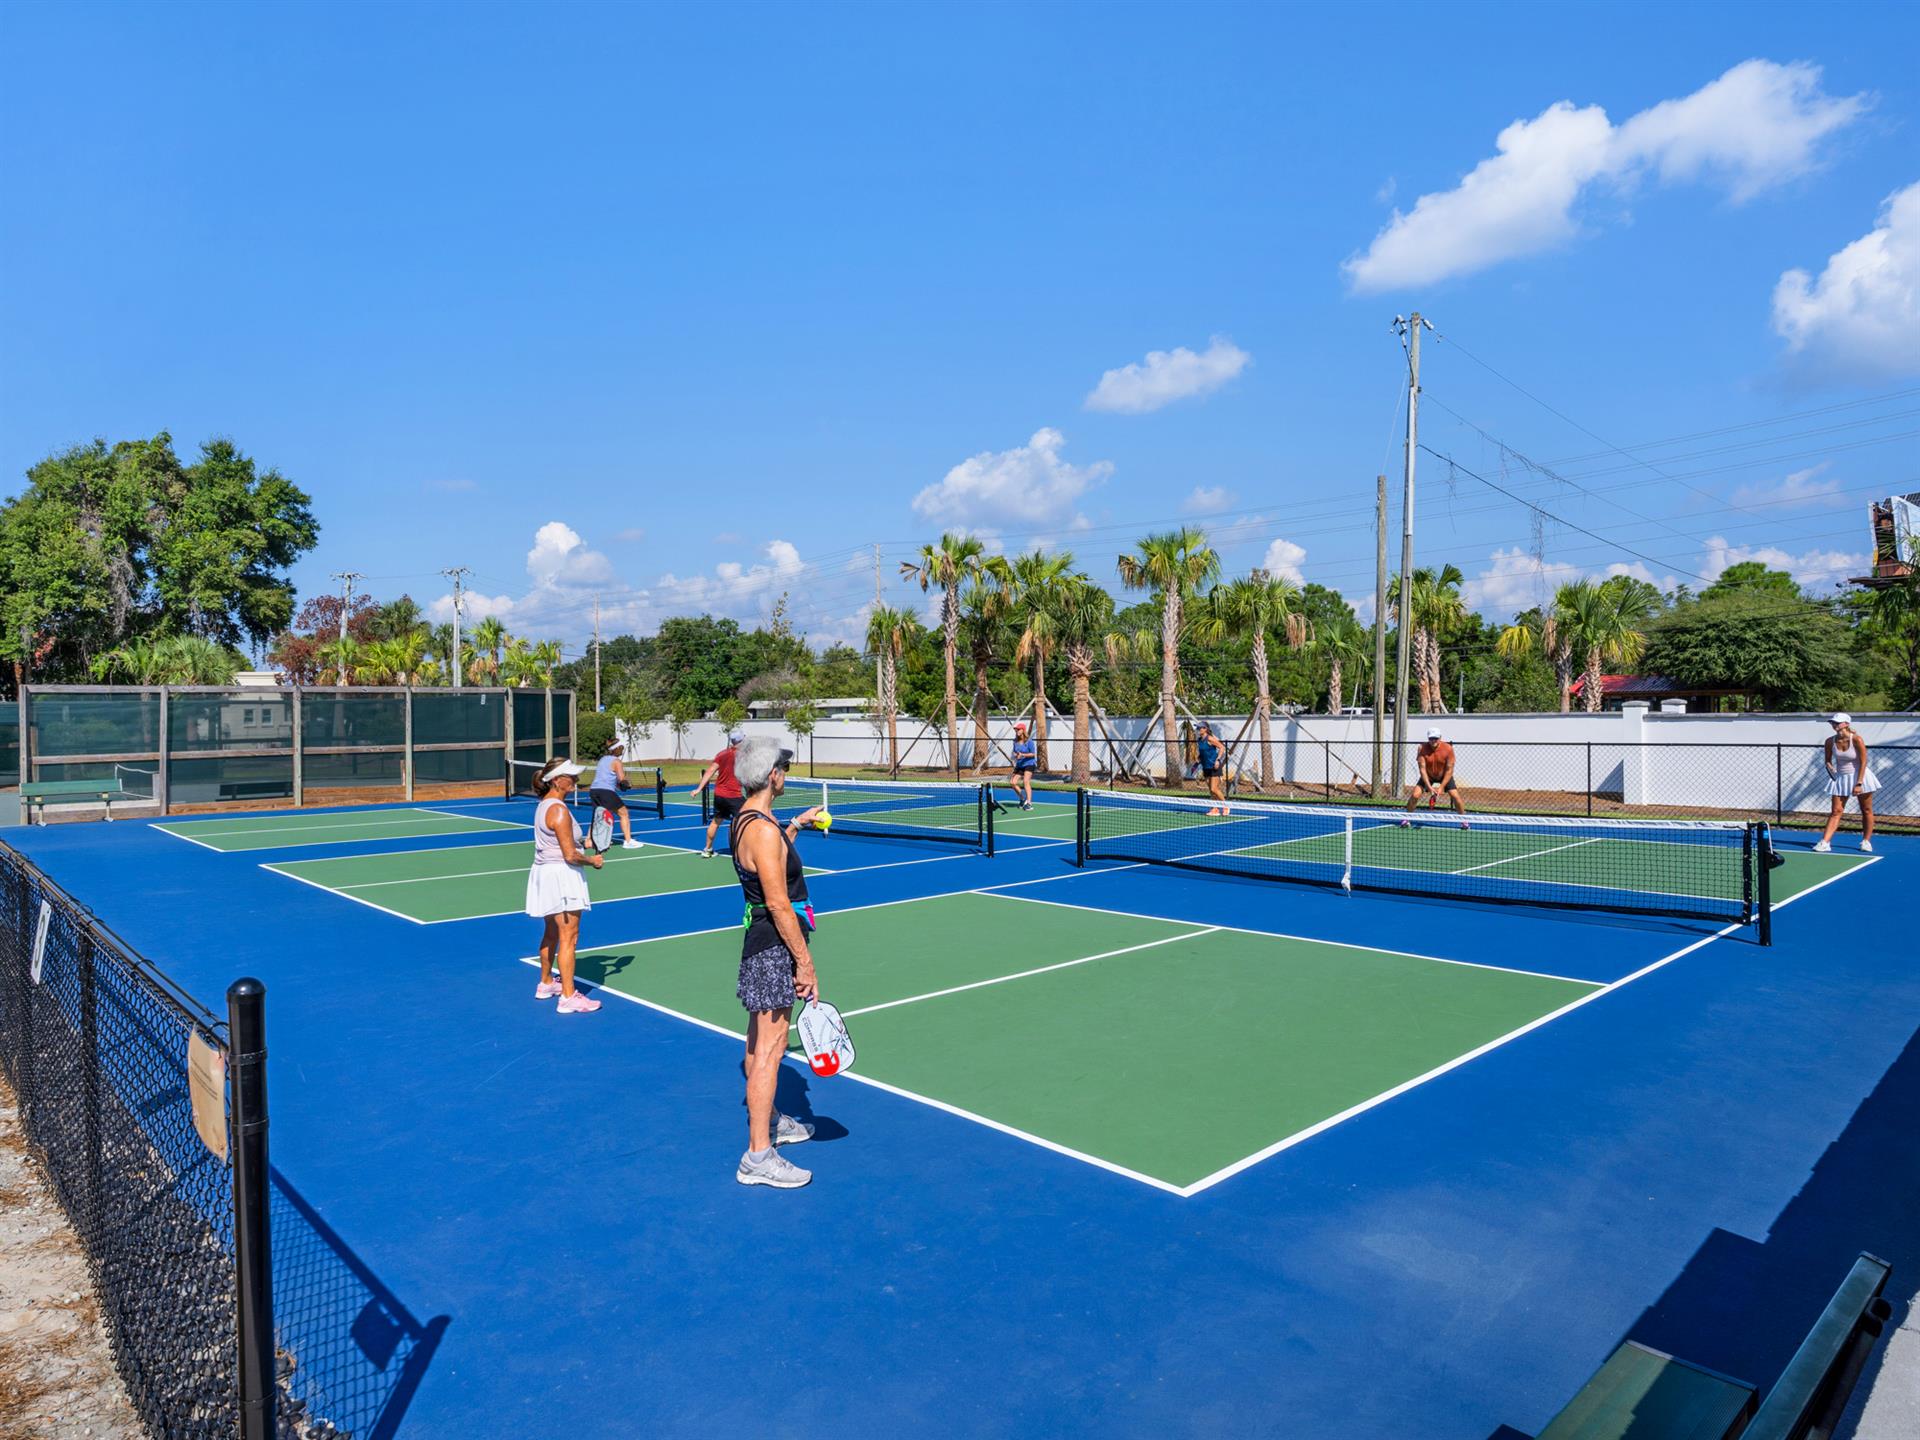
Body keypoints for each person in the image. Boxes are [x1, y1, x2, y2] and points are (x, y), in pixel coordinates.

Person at [730, 737, 821, 1188]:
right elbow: (780, 903)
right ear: (772, 776)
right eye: (783, 767)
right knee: (771, 1049)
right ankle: (758, 1156)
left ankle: (774, 1121)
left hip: (760, 942)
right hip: (773, 946)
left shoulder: (750, 820)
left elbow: (772, 863)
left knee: (756, 1044)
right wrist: (804, 964)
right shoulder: (762, 830)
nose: (786, 773)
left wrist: (796, 827)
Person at [526, 758, 604, 1013]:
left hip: (544, 874)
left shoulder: (544, 806)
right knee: (569, 936)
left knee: (551, 932)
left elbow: (563, 843)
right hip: (562, 875)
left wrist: (587, 843)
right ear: (557, 780)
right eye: (571, 776)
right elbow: (570, 855)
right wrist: (592, 860)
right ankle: (568, 997)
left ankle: (546, 983)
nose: (576, 781)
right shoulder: (559, 810)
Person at [1815, 712, 1876, 854]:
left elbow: (1863, 762)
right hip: (1841, 778)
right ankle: (1825, 842)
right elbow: (1827, 760)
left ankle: (1866, 841)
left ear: (1846, 724)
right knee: (1836, 811)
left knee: (1866, 810)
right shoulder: (1829, 741)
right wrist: (1830, 767)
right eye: (1833, 722)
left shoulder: (1857, 739)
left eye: (1838, 722)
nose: (1834, 725)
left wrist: (1859, 783)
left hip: (1861, 777)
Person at [1401, 727, 1469, 830]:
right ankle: (1407, 818)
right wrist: (1429, 787)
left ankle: (1464, 821)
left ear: (1440, 738)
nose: (1433, 741)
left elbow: (1449, 770)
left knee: (1455, 796)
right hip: (1428, 776)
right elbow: (1422, 770)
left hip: (1444, 775)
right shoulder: (1422, 748)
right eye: (1431, 738)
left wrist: (1441, 787)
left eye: (1436, 738)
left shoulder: (1448, 749)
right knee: (1415, 795)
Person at [693, 731, 745, 858]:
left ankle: (708, 849)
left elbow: (710, 770)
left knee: (716, 822)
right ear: (741, 741)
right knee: (742, 822)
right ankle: (739, 850)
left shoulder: (722, 754)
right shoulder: (744, 756)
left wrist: (699, 789)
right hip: (734, 796)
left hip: (719, 795)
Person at [586, 738, 643, 851]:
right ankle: (628, 841)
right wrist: (627, 784)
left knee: (598, 816)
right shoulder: (617, 762)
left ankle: (589, 839)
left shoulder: (602, 759)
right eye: (621, 748)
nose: (622, 750)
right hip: (605, 792)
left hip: (594, 791)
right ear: (616, 749)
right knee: (624, 813)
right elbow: (622, 780)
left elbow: (610, 779)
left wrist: (620, 785)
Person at [1195, 721, 1229, 816]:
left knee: (1214, 789)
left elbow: (1222, 747)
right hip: (1205, 767)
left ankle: (1226, 806)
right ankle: (1215, 808)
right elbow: (1203, 753)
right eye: (1197, 728)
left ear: (1205, 729)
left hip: (1214, 767)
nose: (1198, 730)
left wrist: (1218, 760)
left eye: (1199, 728)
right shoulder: (1199, 740)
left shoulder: (1210, 739)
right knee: (1210, 790)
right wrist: (1199, 758)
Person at [1009, 719, 1037, 810]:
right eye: (1016, 730)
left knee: (1026, 781)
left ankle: (1029, 803)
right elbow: (1015, 752)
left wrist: (1023, 755)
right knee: (1012, 782)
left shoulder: (1029, 741)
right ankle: (1022, 798)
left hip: (1029, 764)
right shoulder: (1015, 741)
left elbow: (1033, 754)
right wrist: (1015, 755)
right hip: (1020, 764)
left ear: (1023, 730)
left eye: (1018, 729)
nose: (1017, 731)